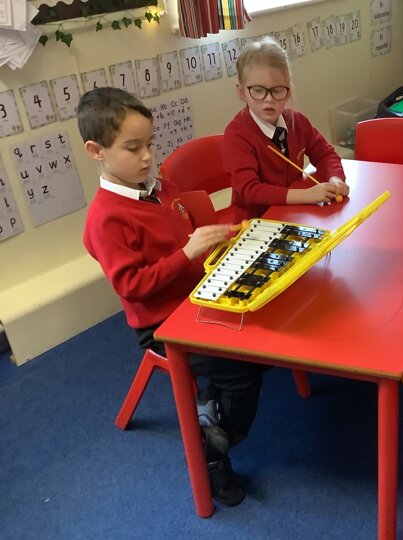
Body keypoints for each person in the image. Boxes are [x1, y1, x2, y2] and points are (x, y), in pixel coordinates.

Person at [79, 87, 266, 507]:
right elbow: (132, 286)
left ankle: (210, 405)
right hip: (163, 325)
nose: (147, 157)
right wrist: (188, 253)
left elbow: (189, 235)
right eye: (133, 148)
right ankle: (212, 450)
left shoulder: (160, 187)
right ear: (96, 151)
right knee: (243, 371)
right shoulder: (105, 218)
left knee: (268, 338)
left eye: (150, 143)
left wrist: (219, 241)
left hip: (200, 297)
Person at [224, 37, 350, 222]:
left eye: (277, 90)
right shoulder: (237, 135)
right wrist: (307, 195)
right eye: (258, 90)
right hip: (256, 224)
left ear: (288, 92)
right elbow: (250, 191)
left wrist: (335, 178)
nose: (268, 99)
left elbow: (325, 154)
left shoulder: (297, 122)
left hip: (294, 215)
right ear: (242, 92)